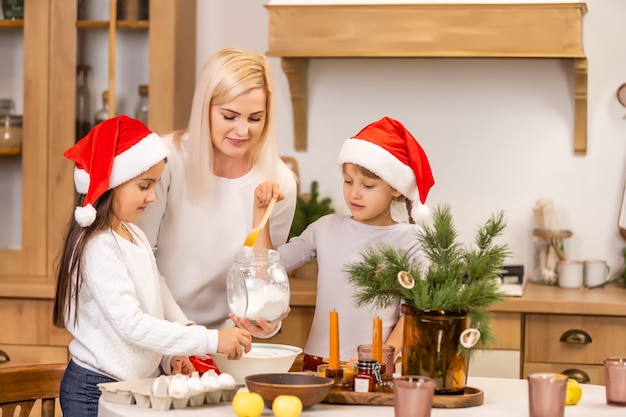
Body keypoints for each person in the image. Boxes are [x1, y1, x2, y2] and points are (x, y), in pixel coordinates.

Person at [53, 116, 252, 417]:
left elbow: (158, 293)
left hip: (132, 386)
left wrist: (176, 351)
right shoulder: (98, 246)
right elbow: (133, 326)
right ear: (113, 183)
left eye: (155, 184)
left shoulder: (133, 234)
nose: (153, 196)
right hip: (95, 390)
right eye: (144, 186)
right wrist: (211, 340)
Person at [135, 48, 297, 337]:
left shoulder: (278, 182)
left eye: (255, 118)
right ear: (205, 108)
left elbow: (260, 279)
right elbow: (137, 260)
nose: (242, 131)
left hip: (222, 343)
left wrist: (264, 321)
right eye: (230, 116)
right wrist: (184, 337)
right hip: (153, 330)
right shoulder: (164, 161)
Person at [254, 116, 435, 371]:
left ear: (395, 188)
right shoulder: (325, 228)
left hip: (372, 366)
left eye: (368, 185)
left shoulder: (411, 240)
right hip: (316, 364)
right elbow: (266, 268)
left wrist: (382, 356)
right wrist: (261, 215)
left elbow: (414, 312)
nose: (354, 193)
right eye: (348, 181)